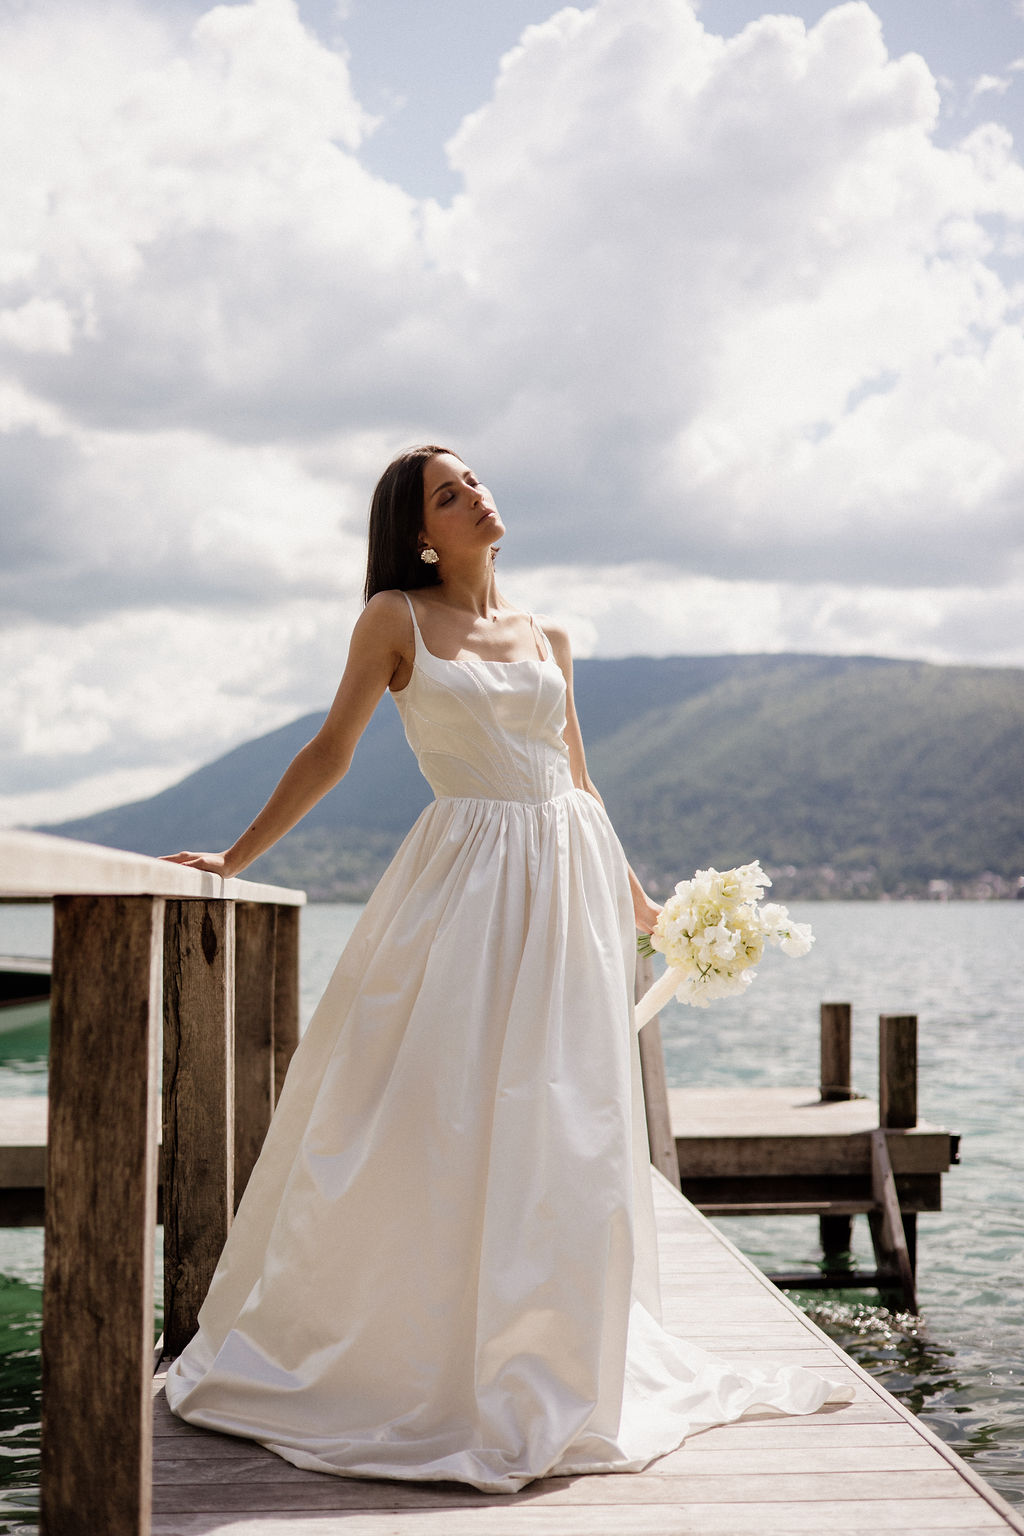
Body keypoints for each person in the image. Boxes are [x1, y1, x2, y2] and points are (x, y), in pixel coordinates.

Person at [162, 445, 851, 1492]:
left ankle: (547, 1355)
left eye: (473, 479)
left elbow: (577, 778)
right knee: (436, 1109)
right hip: (467, 891)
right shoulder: (393, 617)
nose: (474, 494)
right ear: (418, 534)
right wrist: (236, 855)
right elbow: (331, 748)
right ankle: (417, 1347)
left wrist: (645, 908)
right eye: (448, 493)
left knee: (563, 1118)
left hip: (567, 887)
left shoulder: (548, 635)